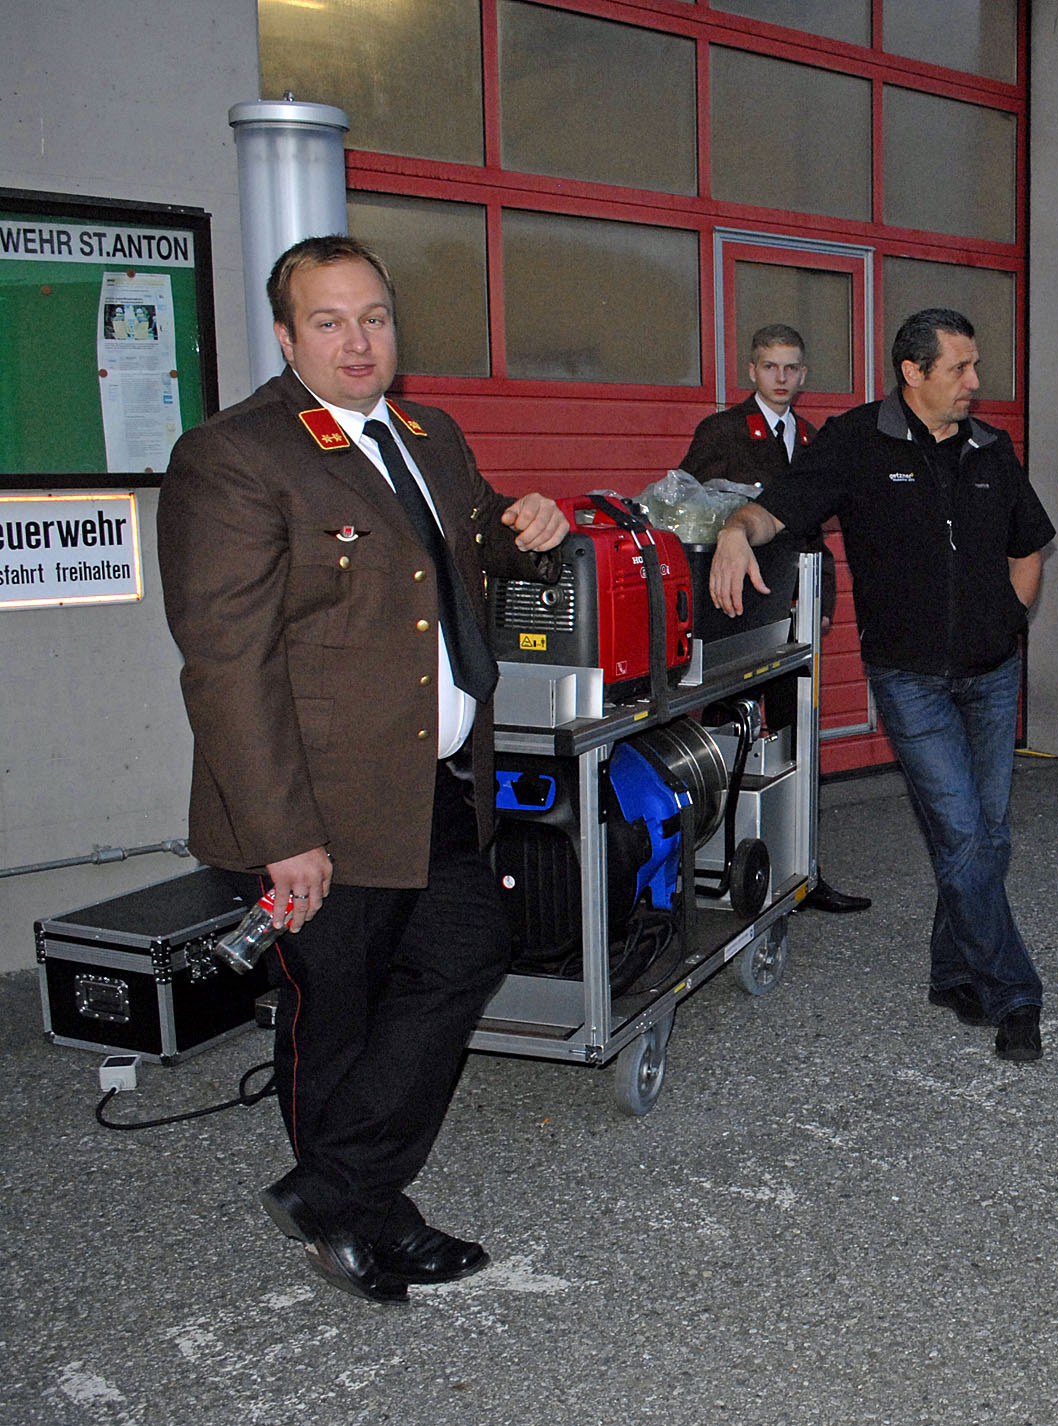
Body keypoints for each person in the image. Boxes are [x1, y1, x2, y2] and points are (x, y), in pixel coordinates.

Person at [159, 235, 568, 1305]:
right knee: (335, 1011)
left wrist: (528, 529)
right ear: (286, 336)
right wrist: (284, 834)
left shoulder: (429, 434)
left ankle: (335, 1191)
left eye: (374, 318)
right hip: (320, 805)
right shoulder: (236, 456)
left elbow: (464, 552)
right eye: (329, 321)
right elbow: (227, 664)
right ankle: (359, 1223)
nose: (358, 341)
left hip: (436, 784)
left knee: (467, 953)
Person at [708, 309, 1054, 1062]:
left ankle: (953, 975)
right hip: (911, 679)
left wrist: (1009, 619)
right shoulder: (857, 441)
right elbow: (778, 509)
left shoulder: (991, 448)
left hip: (994, 675)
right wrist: (735, 529)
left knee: (986, 835)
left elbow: (1030, 544)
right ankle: (1014, 993)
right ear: (913, 372)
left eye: (974, 365)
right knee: (962, 832)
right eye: (959, 368)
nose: (975, 381)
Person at [676, 322, 869, 915]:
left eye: (791, 368)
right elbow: (690, 514)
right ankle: (708, 864)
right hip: (737, 607)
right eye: (770, 367)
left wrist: (824, 603)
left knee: (796, 733)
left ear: (803, 374)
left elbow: (816, 533)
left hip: (793, 604)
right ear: (752, 371)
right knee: (721, 736)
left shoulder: (812, 440)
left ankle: (802, 869)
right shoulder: (722, 432)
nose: (781, 378)